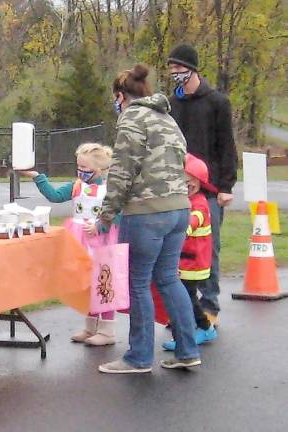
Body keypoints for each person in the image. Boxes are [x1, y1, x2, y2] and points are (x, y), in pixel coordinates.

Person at [97, 64, 200, 374]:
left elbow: (122, 171)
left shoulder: (131, 118)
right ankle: (187, 350)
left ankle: (138, 357)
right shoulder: (167, 118)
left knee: (139, 283)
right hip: (178, 209)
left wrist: (106, 215)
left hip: (145, 213)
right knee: (169, 278)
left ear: (120, 96)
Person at [20, 143, 119, 346]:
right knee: (87, 283)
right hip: (80, 239)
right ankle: (91, 326)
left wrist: (101, 225)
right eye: (79, 167)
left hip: (103, 241)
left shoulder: (111, 190)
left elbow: (118, 214)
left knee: (104, 283)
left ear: (99, 170)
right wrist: (38, 177)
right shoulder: (76, 186)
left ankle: (107, 330)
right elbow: (55, 196)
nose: (81, 172)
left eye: (85, 168)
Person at [167, 43, 238, 325]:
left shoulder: (217, 102)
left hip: (208, 189)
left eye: (179, 68)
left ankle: (210, 306)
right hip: (176, 187)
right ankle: (183, 309)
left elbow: (226, 146)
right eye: (171, 68)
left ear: (192, 69)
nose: (175, 73)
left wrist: (226, 186)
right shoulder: (171, 105)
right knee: (177, 250)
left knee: (209, 248)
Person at [162, 154, 218, 351]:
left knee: (187, 298)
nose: (187, 184)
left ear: (200, 182)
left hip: (193, 263)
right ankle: (192, 330)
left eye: (191, 180)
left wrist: (176, 227)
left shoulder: (199, 202)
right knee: (184, 297)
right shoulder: (183, 200)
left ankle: (203, 327)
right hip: (184, 260)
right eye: (182, 179)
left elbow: (194, 221)